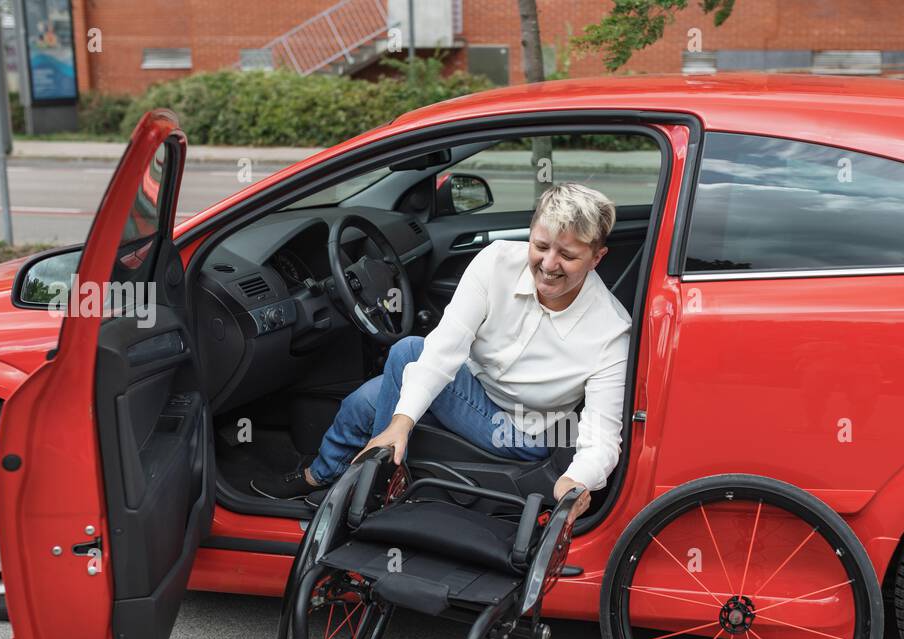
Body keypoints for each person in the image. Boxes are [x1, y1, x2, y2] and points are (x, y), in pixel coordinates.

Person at [252, 181, 632, 520]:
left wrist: (577, 480)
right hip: (472, 387)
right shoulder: (496, 261)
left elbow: (602, 436)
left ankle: (374, 490)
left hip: (521, 430)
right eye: (541, 246)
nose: (548, 264)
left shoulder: (611, 331)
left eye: (567, 255)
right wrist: (399, 423)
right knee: (361, 404)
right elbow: (447, 345)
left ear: (597, 257)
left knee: (407, 353)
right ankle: (318, 475)